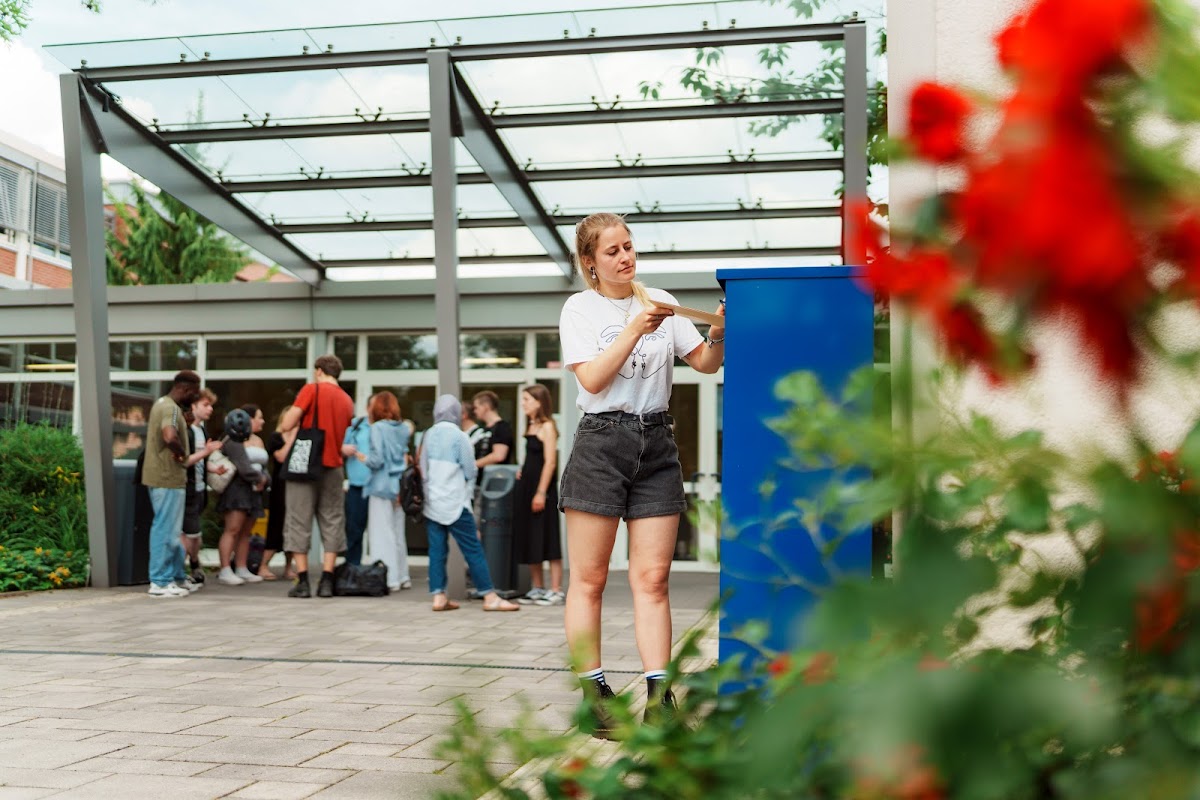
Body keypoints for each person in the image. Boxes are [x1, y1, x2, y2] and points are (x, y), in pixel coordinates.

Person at [558, 212, 725, 737]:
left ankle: (659, 699)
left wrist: (718, 335)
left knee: (652, 580)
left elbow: (705, 364)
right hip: (601, 442)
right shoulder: (580, 309)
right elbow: (592, 378)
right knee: (589, 580)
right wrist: (634, 328)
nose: (626, 257)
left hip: (657, 441)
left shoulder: (660, 300)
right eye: (612, 251)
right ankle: (595, 696)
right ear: (591, 262)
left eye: (629, 246)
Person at [421, 394, 520, 613]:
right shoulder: (460, 436)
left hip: (432, 503)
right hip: (456, 503)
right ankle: (490, 597)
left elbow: (422, 470)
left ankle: (438, 596)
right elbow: (469, 470)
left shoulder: (428, 435)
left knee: (437, 551)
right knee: (473, 549)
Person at [279, 354, 355, 598]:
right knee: (332, 519)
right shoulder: (347, 399)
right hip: (334, 465)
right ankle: (327, 580)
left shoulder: (311, 389)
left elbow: (286, 424)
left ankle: (303, 581)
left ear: (319, 370)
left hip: (305, 463)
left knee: (298, 519)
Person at [141, 370, 220, 597]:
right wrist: (182, 455)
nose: (194, 398)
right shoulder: (171, 409)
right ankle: (160, 582)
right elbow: (169, 436)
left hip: (166, 478)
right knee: (165, 530)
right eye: (194, 393)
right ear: (185, 389)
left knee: (173, 531)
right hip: (167, 478)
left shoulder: (163, 405)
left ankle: (175, 577)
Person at [512, 384, 563, 606]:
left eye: (527, 399)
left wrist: (541, 492)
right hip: (527, 488)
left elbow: (550, 462)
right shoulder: (531, 425)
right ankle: (538, 587)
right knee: (531, 537)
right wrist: (523, 470)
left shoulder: (547, 426)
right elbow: (534, 458)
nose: (523, 403)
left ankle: (556, 590)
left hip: (542, 491)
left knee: (549, 538)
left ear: (539, 402)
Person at [358, 391, 414, 591]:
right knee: (398, 533)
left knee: (382, 533)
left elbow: (377, 460)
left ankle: (388, 578)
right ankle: (403, 576)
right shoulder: (403, 428)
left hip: (381, 486)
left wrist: (363, 458)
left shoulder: (377, 428)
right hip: (399, 486)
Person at [216, 407, 270, 585]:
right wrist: (260, 478)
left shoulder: (257, 440)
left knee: (246, 532)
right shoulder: (232, 440)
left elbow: (263, 467)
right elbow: (243, 467)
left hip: (253, 491)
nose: (262, 421)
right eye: (259, 417)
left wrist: (265, 479)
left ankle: (241, 567)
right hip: (237, 490)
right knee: (233, 529)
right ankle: (225, 569)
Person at [180, 388, 223, 584]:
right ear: (193, 406)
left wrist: (214, 469)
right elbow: (184, 461)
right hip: (187, 490)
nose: (210, 409)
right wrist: (206, 452)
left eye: (211, 405)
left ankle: (193, 564)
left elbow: (200, 462)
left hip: (199, 490)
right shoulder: (185, 431)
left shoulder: (202, 431)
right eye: (205, 405)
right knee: (189, 534)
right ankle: (181, 571)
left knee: (194, 535)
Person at [260, 405, 297, 580]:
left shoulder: (301, 438)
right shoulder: (276, 437)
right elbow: (280, 457)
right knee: (277, 525)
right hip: (280, 487)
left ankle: (288, 567)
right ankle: (263, 565)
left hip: (296, 486)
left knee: (293, 527)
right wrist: (291, 438)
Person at [341, 409, 372, 566]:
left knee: (380, 530)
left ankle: (381, 569)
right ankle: (353, 567)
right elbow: (338, 448)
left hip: (379, 488)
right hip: (357, 485)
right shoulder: (355, 426)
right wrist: (344, 449)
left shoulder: (385, 428)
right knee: (354, 529)